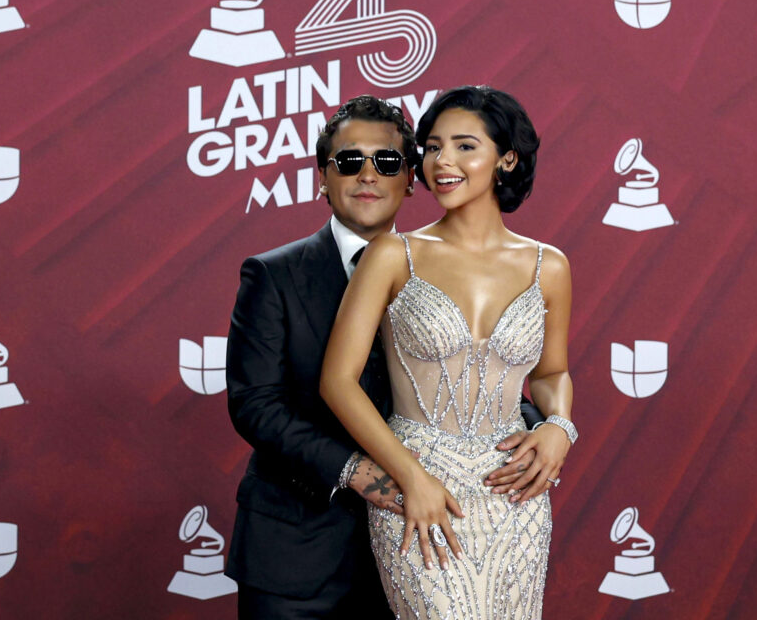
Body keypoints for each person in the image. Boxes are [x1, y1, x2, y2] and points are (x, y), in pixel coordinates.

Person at [225, 94, 543, 619]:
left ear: (411, 179)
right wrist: (359, 472)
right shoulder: (272, 275)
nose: (368, 175)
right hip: (297, 552)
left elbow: (482, 377)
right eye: (350, 160)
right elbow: (256, 406)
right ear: (323, 178)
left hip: (421, 547)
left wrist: (541, 427)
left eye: (388, 161)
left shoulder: (448, 266)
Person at [320, 86, 577, 619]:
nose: (442, 162)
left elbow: (552, 372)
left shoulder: (548, 266)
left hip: (515, 493)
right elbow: (338, 382)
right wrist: (409, 477)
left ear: (507, 159)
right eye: (433, 148)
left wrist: (559, 425)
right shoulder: (393, 255)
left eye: (464, 147)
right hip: (419, 487)